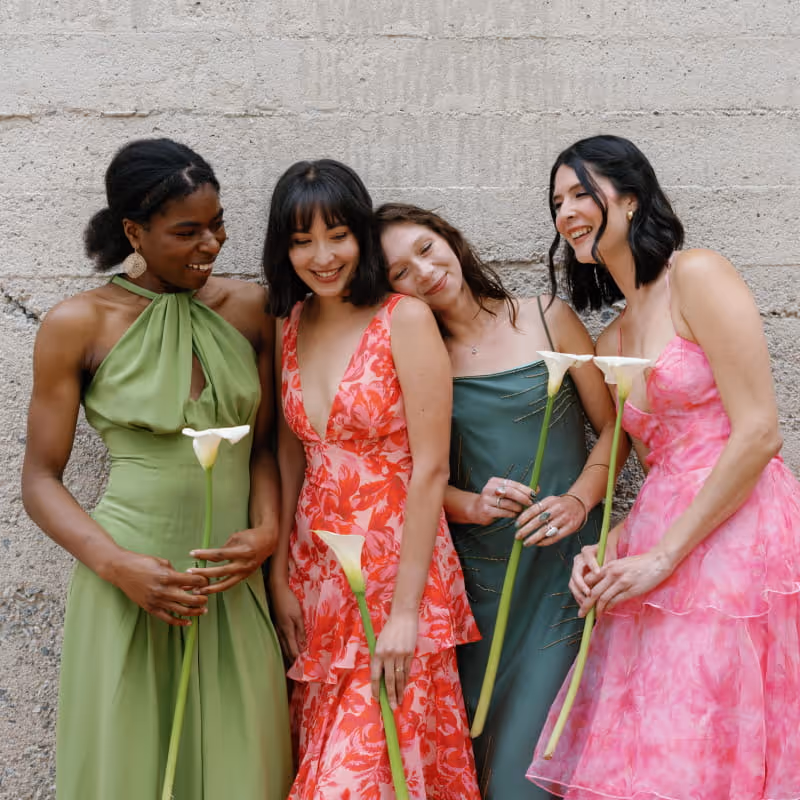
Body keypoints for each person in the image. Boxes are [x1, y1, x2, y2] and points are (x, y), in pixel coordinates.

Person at [526, 134, 800, 799]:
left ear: (632, 197)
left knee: (713, 735)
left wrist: (664, 557)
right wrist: (606, 544)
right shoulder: (613, 337)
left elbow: (760, 431)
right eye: (557, 202)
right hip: (659, 540)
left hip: (737, 535)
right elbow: (638, 459)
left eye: (580, 193)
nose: (566, 213)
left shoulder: (696, 275)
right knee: (659, 753)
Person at [21, 138, 293, 799]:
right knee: (133, 772)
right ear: (134, 232)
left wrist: (266, 532)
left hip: (232, 583)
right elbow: (39, 479)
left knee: (246, 771)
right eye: (187, 231)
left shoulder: (251, 310)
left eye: (218, 223)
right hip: (130, 582)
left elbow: (261, 448)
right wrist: (117, 566)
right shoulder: (77, 322)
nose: (212, 244)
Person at [377, 203, 624, 799]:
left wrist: (578, 503)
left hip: (565, 574)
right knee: (481, 758)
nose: (424, 271)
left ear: (450, 239)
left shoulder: (548, 317)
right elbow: (413, 476)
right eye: (399, 272)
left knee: (530, 771)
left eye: (426, 248)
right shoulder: (411, 353)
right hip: (478, 584)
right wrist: (473, 504)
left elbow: (615, 431)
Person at [263, 159, 481, 799]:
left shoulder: (403, 318)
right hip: (318, 576)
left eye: (337, 234)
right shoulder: (289, 321)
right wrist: (280, 575)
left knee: (364, 773)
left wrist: (407, 613)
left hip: (397, 571)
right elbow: (289, 452)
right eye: (302, 240)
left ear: (360, 234)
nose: (322, 255)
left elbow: (431, 466)